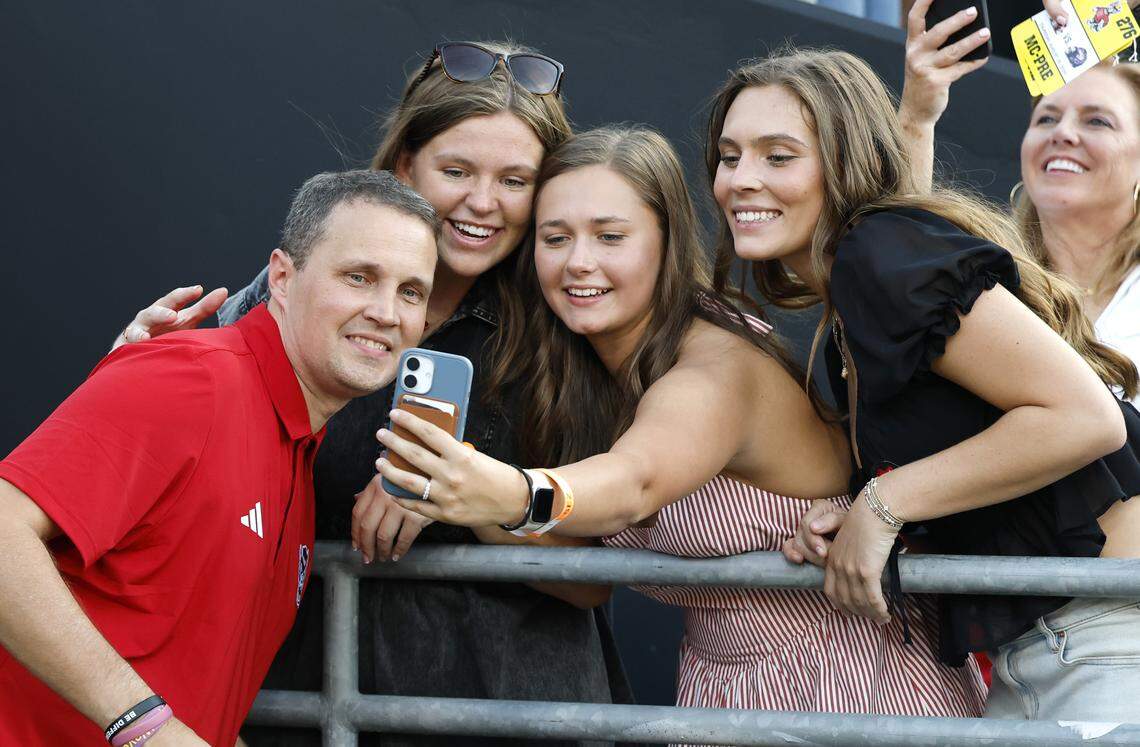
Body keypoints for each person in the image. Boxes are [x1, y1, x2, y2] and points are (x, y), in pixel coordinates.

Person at [371, 125, 986, 719]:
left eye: (610, 237)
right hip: (723, 687)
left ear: (666, 243)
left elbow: (633, 483)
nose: (578, 263)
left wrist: (494, 490)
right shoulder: (589, 370)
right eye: (555, 239)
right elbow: (587, 582)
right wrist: (456, 499)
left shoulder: (714, 370)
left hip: (852, 684)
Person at [115, 40, 631, 747]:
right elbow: (183, 436)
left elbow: (594, 579)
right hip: (315, 703)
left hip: (507, 715)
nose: (483, 202)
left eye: (516, 180)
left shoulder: (565, 321)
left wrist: (465, 492)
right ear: (402, 166)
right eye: (456, 170)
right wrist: (132, 370)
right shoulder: (305, 289)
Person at [709, 46, 1140, 720]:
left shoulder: (877, 251)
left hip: (1113, 638)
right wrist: (858, 508)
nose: (740, 179)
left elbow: (1088, 418)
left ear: (844, 162)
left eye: (778, 155)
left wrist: (885, 501)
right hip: (1040, 653)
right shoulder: (859, 286)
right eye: (729, 156)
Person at [0, 170, 439, 745]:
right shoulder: (193, 378)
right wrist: (143, 726)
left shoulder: (298, 449)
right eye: (359, 277)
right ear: (281, 277)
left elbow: (191, 683)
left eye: (411, 292)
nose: (387, 311)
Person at [899, 1, 1140, 398]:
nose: (1062, 133)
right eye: (1046, 118)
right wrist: (917, 116)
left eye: (1097, 120)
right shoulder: (993, 281)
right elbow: (900, 263)